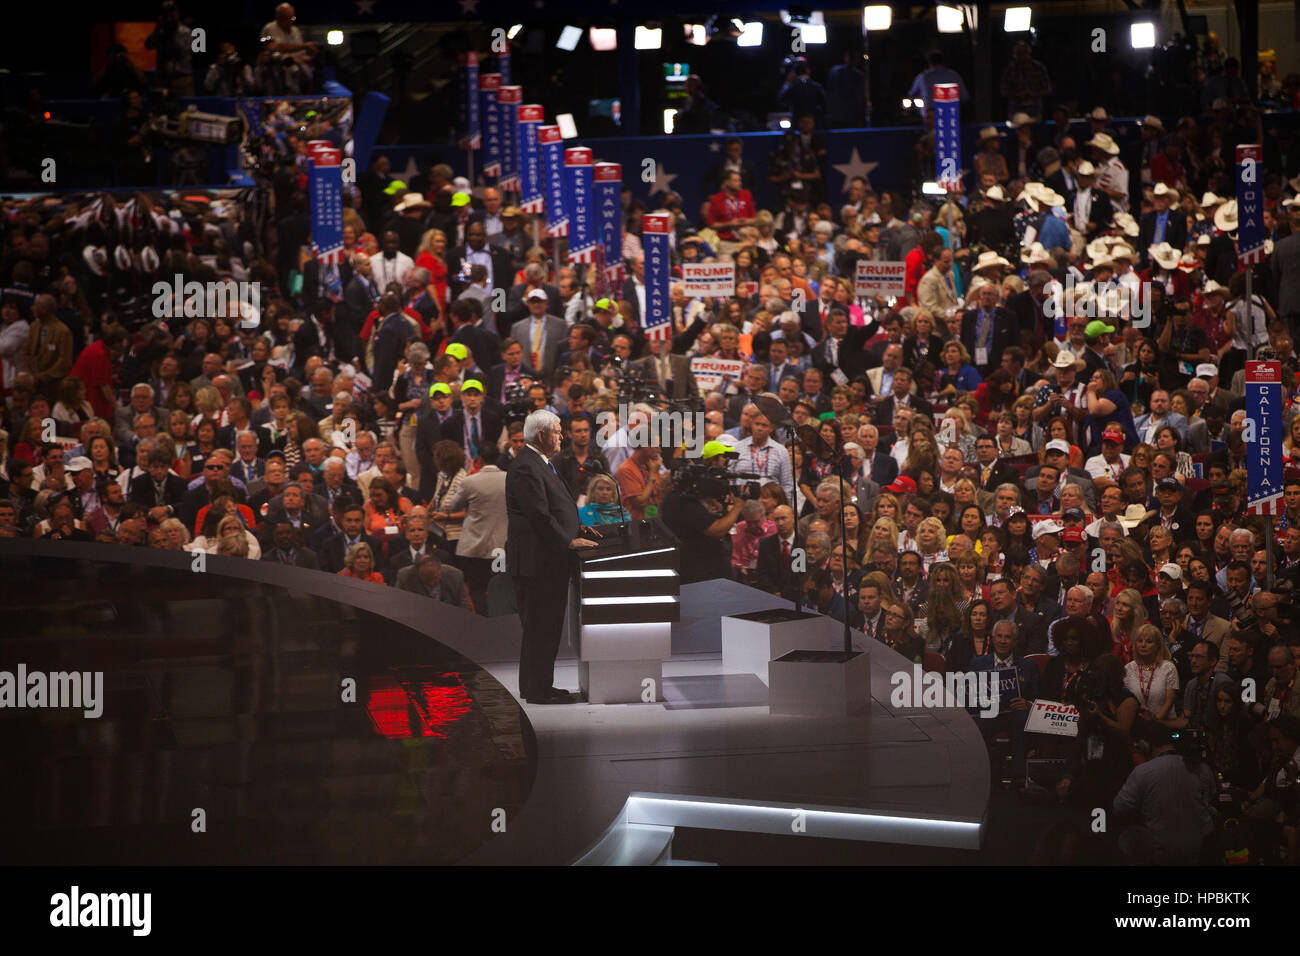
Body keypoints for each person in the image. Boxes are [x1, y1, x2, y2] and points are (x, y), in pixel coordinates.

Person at [505, 410, 599, 704]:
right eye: (558, 431)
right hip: (538, 563)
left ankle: (539, 685)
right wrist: (569, 540)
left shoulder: (541, 463)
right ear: (542, 435)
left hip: (548, 560)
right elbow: (539, 515)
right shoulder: (526, 467)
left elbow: (555, 509)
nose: (563, 436)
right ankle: (537, 690)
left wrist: (578, 526)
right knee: (539, 628)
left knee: (545, 627)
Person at [1113, 719, 1215, 864]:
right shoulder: (1202, 768)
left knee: (1126, 836)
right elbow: (1210, 799)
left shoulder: (1143, 772)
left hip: (1161, 854)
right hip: (1199, 850)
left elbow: (1119, 808)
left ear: (1145, 745)